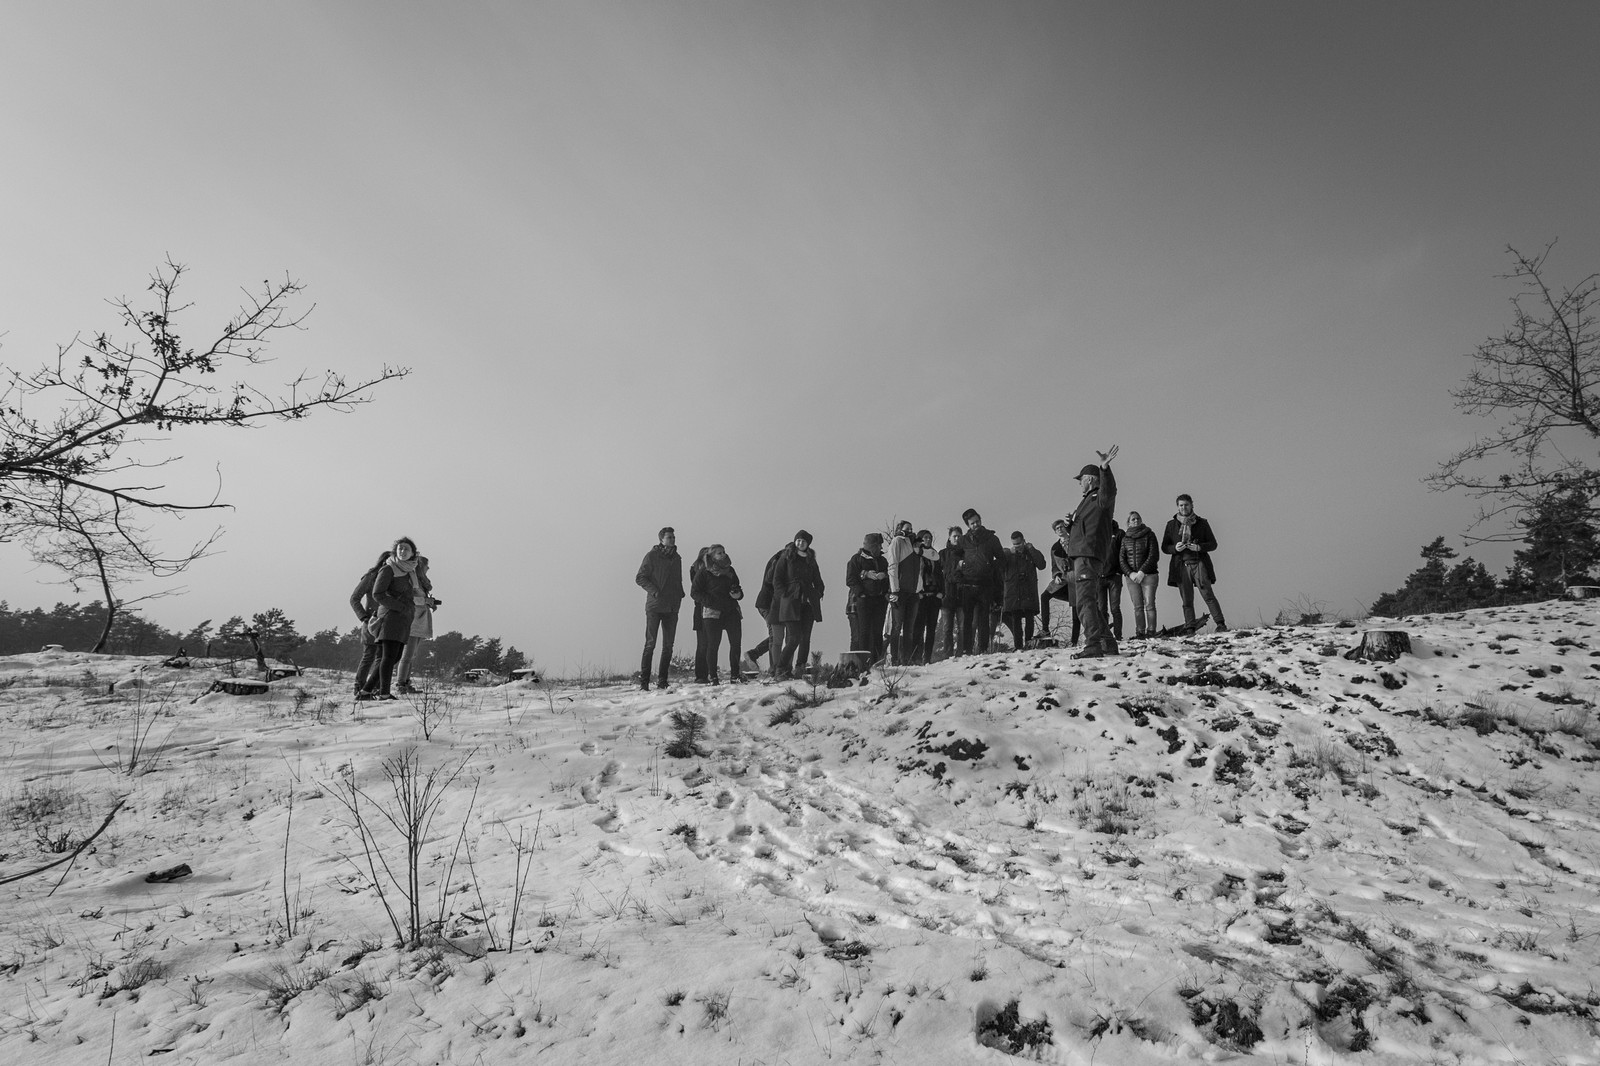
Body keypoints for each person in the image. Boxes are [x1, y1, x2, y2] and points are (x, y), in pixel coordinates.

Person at [1066, 446, 1119, 658]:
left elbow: (1110, 492)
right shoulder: (1087, 501)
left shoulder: (1100, 497)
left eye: (1081, 479)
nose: (1079, 483)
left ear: (1090, 479)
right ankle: (1107, 643)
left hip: (1088, 555)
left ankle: (1092, 646)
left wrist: (1104, 469)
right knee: (1088, 602)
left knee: (1085, 602)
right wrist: (1072, 524)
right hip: (1082, 555)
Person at [363, 537, 421, 699]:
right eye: (400, 548)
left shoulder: (410, 571)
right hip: (390, 617)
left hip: (404, 619)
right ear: (395, 550)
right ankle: (384, 693)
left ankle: (366, 691)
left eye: (406, 549)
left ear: (412, 553)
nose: (402, 551)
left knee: (393, 657)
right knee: (388, 657)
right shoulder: (389, 569)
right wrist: (399, 607)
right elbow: (377, 594)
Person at [1162, 494, 1227, 630]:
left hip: (1199, 562)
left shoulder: (1202, 523)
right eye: (1181, 505)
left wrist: (1199, 547)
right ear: (1177, 507)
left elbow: (1213, 544)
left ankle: (1220, 623)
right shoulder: (1171, 525)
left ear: (1192, 505)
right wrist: (1175, 548)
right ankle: (1190, 627)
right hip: (1181, 565)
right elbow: (1164, 547)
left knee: (1207, 594)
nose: (1184, 507)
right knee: (1187, 599)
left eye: (1186, 505)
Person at [635, 527, 685, 690]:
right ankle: (644, 682)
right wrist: (655, 591)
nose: (672, 539)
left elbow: (678, 580)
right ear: (661, 539)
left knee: (668, 646)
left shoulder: (677, 558)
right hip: (655, 606)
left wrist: (680, 595)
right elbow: (640, 577)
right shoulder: (652, 556)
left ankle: (662, 680)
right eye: (669, 537)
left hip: (672, 607)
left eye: (673, 537)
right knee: (650, 644)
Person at [773, 530, 824, 680]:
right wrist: (786, 595)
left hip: (808, 604)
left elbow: (818, 581)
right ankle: (780, 669)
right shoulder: (786, 558)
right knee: (794, 637)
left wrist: (816, 594)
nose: (800, 543)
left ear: (808, 544)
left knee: (805, 637)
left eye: (803, 541)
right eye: (798, 540)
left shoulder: (810, 560)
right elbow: (777, 580)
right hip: (791, 603)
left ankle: (800, 668)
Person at [691, 544, 744, 683]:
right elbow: (695, 592)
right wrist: (709, 601)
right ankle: (713, 675)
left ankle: (735, 674)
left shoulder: (730, 570)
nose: (723, 555)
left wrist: (737, 593)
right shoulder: (704, 572)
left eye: (724, 552)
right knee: (713, 644)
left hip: (731, 610)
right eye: (719, 553)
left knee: (736, 643)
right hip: (712, 612)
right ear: (712, 556)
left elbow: (738, 587)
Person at [955, 509, 1005, 654]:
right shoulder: (963, 540)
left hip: (985, 584)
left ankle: (983, 649)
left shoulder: (991, 538)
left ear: (981, 520)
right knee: (967, 620)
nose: (976, 524)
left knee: (984, 619)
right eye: (972, 523)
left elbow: (1001, 558)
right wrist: (961, 565)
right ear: (968, 525)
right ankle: (966, 649)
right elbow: (954, 557)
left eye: (977, 521)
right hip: (968, 584)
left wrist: (990, 567)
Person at [395, 546, 441, 695]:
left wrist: (430, 603)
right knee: (407, 655)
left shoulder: (421, 582)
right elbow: (410, 599)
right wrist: (425, 601)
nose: (428, 568)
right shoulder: (412, 581)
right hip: (412, 621)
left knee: (412, 655)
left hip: (419, 621)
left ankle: (406, 682)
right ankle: (401, 683)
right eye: (426, 565)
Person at [349, 550, 389, 700]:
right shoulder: (371, 577)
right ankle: (359, 687)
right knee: (369, 656)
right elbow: (354, 598)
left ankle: (374, 688)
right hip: (371, 622)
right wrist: (364, 617)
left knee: (382, 657)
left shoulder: (397, 578)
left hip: (388, 623)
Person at [847, 532, 890, 664]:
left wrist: (885, 577)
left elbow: (890, 576)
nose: (880, 548)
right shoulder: (856, 559)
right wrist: (862, 591)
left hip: (879, 600)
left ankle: (875, 662)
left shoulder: (883, 560)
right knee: (863, 633)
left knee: (877, 632)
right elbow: (850, 579)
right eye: (877, 545)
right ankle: (860, 663)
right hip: (863, 600)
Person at [885, 521, 923, 665]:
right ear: (900, 530)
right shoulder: (897, 541)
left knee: (909, 628)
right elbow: (893, 566)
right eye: (907, 529)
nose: (910, 531)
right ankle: (894, 659)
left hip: (913, 592)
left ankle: (907, 659)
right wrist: (894, 590)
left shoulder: (913, 545)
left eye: (911, 529)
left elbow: (920, 567)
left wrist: (919, 588)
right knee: (896, 627)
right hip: (900, 591)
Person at [1001, 531, 1047, 649]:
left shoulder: (1031, 553)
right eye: (1015, 544)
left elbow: (1042, 564)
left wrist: (1031, 549)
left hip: (1028, 591)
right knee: (1016, 621)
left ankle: (1028, 644)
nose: (1017, 547)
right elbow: (999, 565)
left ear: (1024, 541)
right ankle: (1018, 647)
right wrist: (1006, 552)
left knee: (1029, 619)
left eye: (1019, 544)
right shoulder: (1009, 555)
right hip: (1014, 592)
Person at [1120, 511, 1161, 638]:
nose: (1136, 521)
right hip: (1132, 578)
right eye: (1133, 519)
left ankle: (1151, 631)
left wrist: (1142, 572)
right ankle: (1140, 632)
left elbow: (1154, 555)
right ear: (1128, 522)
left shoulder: (1149, 534)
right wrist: (1130, 573)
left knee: (1149, 605)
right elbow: (1122, 559)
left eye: (1138, 518)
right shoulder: (1125, 538)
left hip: (1149, 575)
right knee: (1137, 606)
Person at [1041, 518, 1074, 640]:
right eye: (1057, 528)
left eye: (1061, 527)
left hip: (1075, 578)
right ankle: (1045, 629)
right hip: (1062, 579)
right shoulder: (1055, 548)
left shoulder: (1075, 541)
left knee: (1077, 605)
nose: (1060, 529)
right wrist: (1056, 576)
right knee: (1044, 596)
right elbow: (1054, 566)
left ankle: (1074, 639)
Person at [934, 526, 964, 660]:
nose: (957, 538)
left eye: (959, 536)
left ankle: (961, 653)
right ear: (949, 537)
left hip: (962, 595)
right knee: (947, 628)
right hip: (947, 595)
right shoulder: (942, 554)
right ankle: (947, 654)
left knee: (962, 627)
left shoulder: (966, 552)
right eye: (954, 536)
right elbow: (936, 574)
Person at [912, 529, 942, 663]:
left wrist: (942, 591)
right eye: (925, 538)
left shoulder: (935, 555)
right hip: (921, 596)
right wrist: (917, 592)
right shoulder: (917, 555)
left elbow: (941, 575)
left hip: (934, 595)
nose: (928, 540)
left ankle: (927, 658)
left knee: (931, 628)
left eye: (929, 537)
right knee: (918, 628)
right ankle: (915, 657)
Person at [688, 545, 713, 683]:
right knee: (703, 644)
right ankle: (701, 675)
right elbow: (696, 588)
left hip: (710, 608)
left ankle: (708, 673)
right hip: (701, 608)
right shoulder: (696, 569)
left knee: (710, 643)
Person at [1101, 520, 1125, 643]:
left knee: (1115, 608)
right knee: (1101, 609)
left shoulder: (1119, 533)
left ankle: (1118, 636)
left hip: (1114, 576)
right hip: (1099, 577)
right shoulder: (1096, 532)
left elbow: (1123, 553)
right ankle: (1105, 636)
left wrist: (1120, 571)